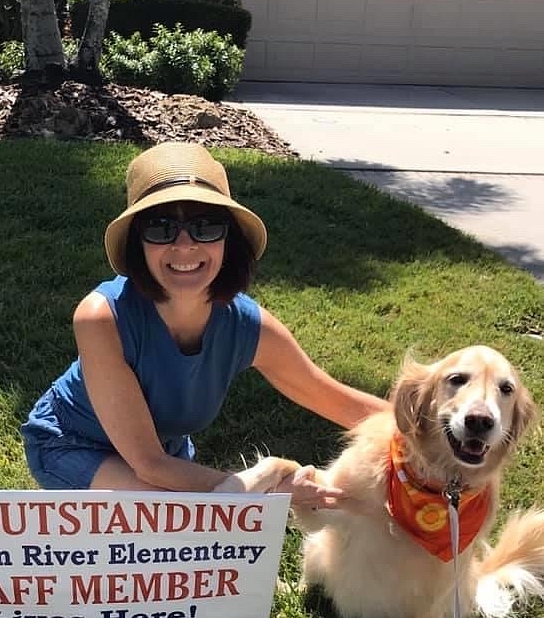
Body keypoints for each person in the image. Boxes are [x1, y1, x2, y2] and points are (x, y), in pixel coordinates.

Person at [21, 142, 387, 506]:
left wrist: (426, 427)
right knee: (176, 523)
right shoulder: (101, 317)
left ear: (229, 239)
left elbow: (335, 399)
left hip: (164, 451)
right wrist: (270, 490)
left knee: (192, 533)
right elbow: (148, 465)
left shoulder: (247, 325)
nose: (185, 245)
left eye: (206, 226)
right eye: (161, 227)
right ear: (137, 242)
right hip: (73, 442)